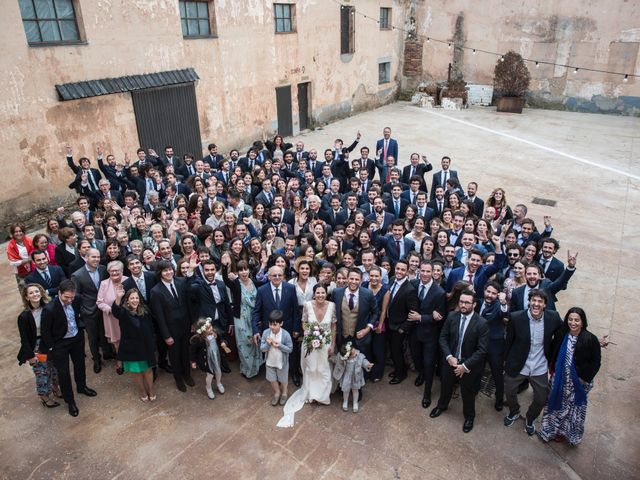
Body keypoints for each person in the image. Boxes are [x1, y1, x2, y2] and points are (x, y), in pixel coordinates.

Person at [503, 289, 563, 436]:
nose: (536, 304)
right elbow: (508, 342)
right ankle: (514, 411)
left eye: (540, 301)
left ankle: (530, 419)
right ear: (529, 302)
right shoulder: (516, 317)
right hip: (518, 364)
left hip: (539, 366)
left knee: (541, 399)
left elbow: (565, 332)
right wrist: (505, 363)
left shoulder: (553, 317)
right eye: (533, 301)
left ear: (545, 304)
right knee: (509, 392)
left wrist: (592, 339)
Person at [539, 307, 602, 445]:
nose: (573, 323)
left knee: (572, 410)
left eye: (577, 320)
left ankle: (565, 434)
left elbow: (596, 362)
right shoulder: (562, 333)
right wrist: (552, 366)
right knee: (554, 405)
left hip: (578, 383)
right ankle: (549, 431)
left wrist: (583, 378)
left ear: (582, 321)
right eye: (570, 319)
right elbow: (553, 349)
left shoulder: (590, 339)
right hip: (559, 380)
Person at [277, 283, 336, 428]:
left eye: (323, 293)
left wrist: (333, 344)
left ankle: (322, 396)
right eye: (318, 293)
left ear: (326, 294)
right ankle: (311, 394)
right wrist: (311, 332)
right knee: (311, 369)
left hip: (326, 343)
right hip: (310, 342)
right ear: (314, 294)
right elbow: (303, 322)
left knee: (323, 369)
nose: (320, 295)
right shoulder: (307, 305)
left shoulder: (332, 306)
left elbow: (334, 326)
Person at [429, 290, 488, 433]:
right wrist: (449, 357)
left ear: (474, 304)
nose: (463, 305)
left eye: (467, 302)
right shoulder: (452, 316)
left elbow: (482, 350)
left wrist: (465, 366)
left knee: (468, 393)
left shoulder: (482, 323)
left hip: (469, 366)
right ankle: (442, 406)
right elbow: (443, 338)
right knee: (446, 387)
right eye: (461, 301)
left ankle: (469, 417)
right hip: (451, 362)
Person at [41, 279, 98, 417]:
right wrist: (52, 348)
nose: (69, 301)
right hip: (59, 343)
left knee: (80, 364)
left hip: (76, 338)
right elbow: (45, 332)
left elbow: (78, 314)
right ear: (59, 293)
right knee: (64, 373)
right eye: (66, 297)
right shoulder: (50, 309)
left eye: (72, 297)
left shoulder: (76, 299)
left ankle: (81, 386)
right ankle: (70, 400)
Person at [252, 265, 302, 386]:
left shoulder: (290, 288)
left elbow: (295, 310)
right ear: (269, 277)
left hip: (288, 327)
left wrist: (296, 328)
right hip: (270, 329)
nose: (277, 277)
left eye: (280, 275)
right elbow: (256, 311)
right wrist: (255, 330)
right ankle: (276, 377)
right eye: (274, 275)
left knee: (292, 352)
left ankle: (294, 373)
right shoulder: (262, 290)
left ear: (283, 276)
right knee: (273, 352)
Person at [150, 260, 194, 392]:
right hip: (171, 329)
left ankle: (187, 375)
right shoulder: (156, 291)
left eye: (170, 269)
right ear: (160, 273)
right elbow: (159, 316)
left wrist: (192, 323)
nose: (168, 272)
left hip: (185, 325)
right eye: (165, 270)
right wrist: (166, 335)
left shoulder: (181, 282)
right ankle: (178, 379)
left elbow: (188, 304)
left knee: (186, 352)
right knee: (174, 356)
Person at [408, 261, 447, 409]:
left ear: (433, 273)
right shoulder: (413, 284)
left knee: (429, 363)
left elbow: (441, 317)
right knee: (416, 358)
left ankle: (427, 393)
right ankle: (422, 374)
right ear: (419, 271)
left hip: (430, 335)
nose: (425, 274)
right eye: (422, 271)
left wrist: (422, 318)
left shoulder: (439, 292)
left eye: (428, 271)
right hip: (413, 332)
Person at [16, 283, 60, 408]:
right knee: (42, 372)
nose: (35, 294)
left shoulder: (49, 307)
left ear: (41, 293)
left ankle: (56, 389)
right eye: (31, 293)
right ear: (26, 297)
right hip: (37, 347)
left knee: (55, 368)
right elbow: (24, 339)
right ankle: (44, 396)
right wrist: (30, 355)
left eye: (36, 291)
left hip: (51, 342)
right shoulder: (24, 317)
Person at [111, 286, 157, 402]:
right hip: (131, 348)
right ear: (127, 300)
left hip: (146, 347)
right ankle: (142, 391)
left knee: (148, 371)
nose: (135, 300)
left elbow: (151, 328)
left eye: (137, 298)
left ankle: (151, 390)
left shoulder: (145, 310)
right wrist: (118, 297)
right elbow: (115, 311)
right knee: (137, 372)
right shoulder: (123, 312)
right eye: (132, 298)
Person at [71, 248, 111, 374]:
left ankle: (107, 353)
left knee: (105, 332)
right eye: (93, 257)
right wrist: (81, 311)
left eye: (98, 257)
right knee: (93, 337)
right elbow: (76, 296)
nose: (96, 259)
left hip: (103, 307)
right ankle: (96, 359)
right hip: (89, 311)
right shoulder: (77, 275)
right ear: (86, 258)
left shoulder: (103, 269)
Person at [222, 259, 263, 378]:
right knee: (244, 343)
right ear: (238, 272)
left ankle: (256, 366)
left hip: (254, 317)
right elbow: (225, 280)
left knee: (256, 342)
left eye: (245, 269)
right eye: (241, 270)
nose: (244, 272)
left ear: (249, 270)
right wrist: (225, 267)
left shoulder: (255, 283)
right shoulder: (235, 283)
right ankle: (247, 369)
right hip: (240, 318)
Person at [386, 259, 419, 384]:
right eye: (398, 269)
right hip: (389, 323)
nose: (399, 272)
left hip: (399, 327)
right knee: (393, 351)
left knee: (397, 351)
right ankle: (398, 369)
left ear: (407, 272)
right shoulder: (391, 280)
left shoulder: (409, 289)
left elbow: (413, 312)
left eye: (402, 270)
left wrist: (403, 328)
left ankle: (401, 374)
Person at [96, 260, 128, 375]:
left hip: (126, 317)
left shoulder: (127, 280)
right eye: (111, 271)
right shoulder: (104, 283)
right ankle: (120, 362)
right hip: (112, 318)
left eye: (117, 270)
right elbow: (99, 302)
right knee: (117, 342)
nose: (114, 273)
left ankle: (130, 359)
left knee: (128, 338)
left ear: (122, 271)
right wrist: (111, 310)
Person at [262, 310, 293, 407]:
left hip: (281, 363)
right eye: (270, 324)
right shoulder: (266, 333)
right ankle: (277, 393)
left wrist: (279, 345)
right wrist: (268, 343)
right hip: (270, 362)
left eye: (275, 325)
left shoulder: (286, 335)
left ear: (281, 323)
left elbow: (290, 349)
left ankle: (284, 393)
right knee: (272, 379)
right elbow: (262, 349)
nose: (272, 327)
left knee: (283, 379)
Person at [190, 317, 227, 400]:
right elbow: (193, 351)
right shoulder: (199, 340)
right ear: (202, 331)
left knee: (219, 372)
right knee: (210, 375)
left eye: (211, 326)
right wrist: (193, 361)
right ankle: (208, 387)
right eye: (208, 328)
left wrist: (223, 342)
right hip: (207, 359)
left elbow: (222, 337)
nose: (211, 328)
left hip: (216, 356)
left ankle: (218, 383)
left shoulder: (215, 333)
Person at [333, 341, 373, 413]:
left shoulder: (359, 356)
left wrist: (367, 364)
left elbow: (363, 361)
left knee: (355, 390)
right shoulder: (343, 358)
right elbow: (337, 360)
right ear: (347, 356)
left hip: (355, 377)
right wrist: (331, 357)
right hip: (347, 377)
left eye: (355, 351)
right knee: (346, 390)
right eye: (353, 354)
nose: (356, 353)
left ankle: (355, 403)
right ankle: (345, 401)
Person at [7, 223, 33, 288]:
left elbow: (35, 252)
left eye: (20, 231)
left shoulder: (29, 240)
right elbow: (12, 263)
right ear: (13, 233)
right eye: (16, 232)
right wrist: (27, 260)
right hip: (21, 274)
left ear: (23, 232)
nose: (18, 233)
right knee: (25, 292)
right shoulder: (10, 246)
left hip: (33, 269)